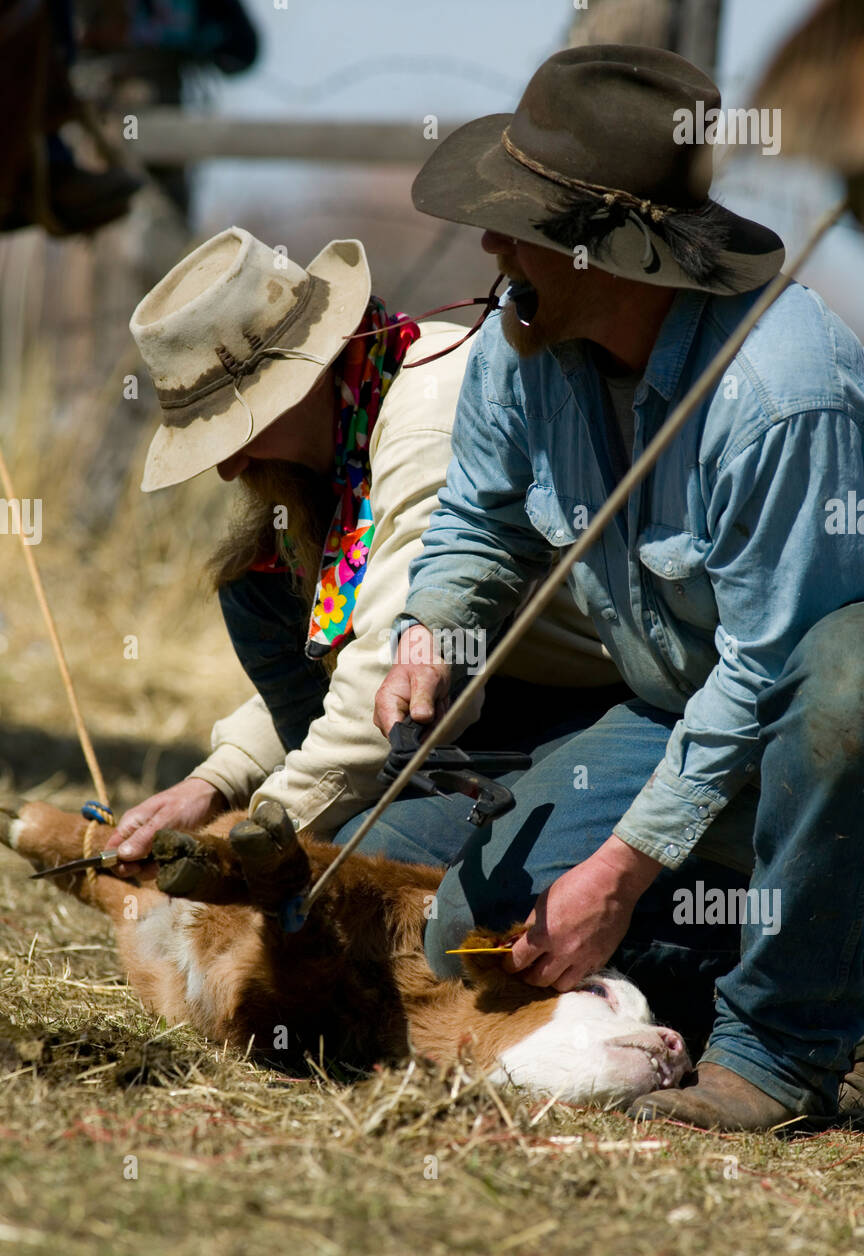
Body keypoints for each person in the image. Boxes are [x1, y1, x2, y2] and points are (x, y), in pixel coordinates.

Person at [369, 45, 864, 1131]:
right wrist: (432, 632)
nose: (492, 243)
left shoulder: (783, 394)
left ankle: (781, 1048)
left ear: (605, 250)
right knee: (472, 928)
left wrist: (623, 868)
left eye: (520, 221)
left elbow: (771, 670)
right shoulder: (526, 336)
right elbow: (478, 521)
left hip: (807, 739)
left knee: (847, 679)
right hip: (672, 717)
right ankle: (762, 957)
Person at [108, 227, 623, 870]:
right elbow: (351, 660)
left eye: (234, 431)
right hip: (448, 699)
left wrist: (253, 835)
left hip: (569, 704)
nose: (230, 468)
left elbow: (388, 669)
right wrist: (217, 782)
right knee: (256, 584)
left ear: (305, 377)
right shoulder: (350, 426)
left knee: (376, 856)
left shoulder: (431, 411)